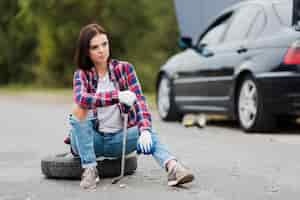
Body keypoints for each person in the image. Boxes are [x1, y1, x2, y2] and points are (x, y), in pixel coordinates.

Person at [69, 23, 194, 190]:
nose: (101, 50)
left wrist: (145, 130)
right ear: (86, 51)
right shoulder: (82, 75)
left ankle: (173, 168)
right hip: (91, 142)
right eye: (95, 47)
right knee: (78, 111)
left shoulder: (125, 69)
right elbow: (82, 98)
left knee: (149, 132)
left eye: (104, 44)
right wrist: (117, 96)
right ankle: (90, 169)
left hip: (119, 140)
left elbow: (140, 101)